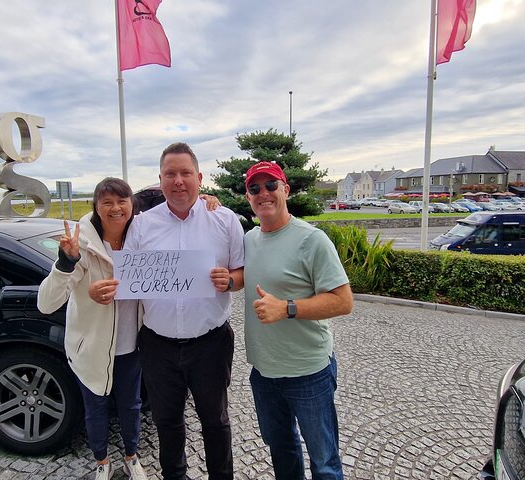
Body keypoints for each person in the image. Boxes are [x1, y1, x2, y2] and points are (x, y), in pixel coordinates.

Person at [116, 142, 245, 480]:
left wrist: (230, 281)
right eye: (170, 174)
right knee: (167, 422)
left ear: (199, 178)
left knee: (215, 421)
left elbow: (242, 271)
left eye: (186, 173)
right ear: (160, 179)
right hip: (158, 345)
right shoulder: (142, 225)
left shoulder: (224, 220)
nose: (178, 181)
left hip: (211, 343)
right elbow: (127, 277)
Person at [242, 161, 353, 480]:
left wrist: (287, 308)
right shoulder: (249, 239)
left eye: (271, 185)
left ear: (286, 190)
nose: (263, 193)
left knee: (324, 462)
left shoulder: (312, 240)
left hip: (308, 372)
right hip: (264, 371)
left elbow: (343, 301)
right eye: (255, 188)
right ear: (248, 197)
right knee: (282, 452)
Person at [37, 178, 148, 480]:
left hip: (131, 345)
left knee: (131, 406)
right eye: (107, 202)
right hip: (92, 346)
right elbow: (46, 303)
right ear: (96, 207)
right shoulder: (81, 246)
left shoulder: (142, 238)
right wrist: (66, 263)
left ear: (132, 205)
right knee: (95, 407)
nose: (115, 208)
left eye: (122, 201)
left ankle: (131, 457)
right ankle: (102, 462)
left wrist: (207, 201)